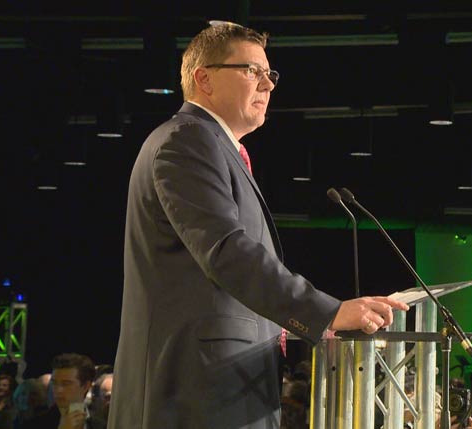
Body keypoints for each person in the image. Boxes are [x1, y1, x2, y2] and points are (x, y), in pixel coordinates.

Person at [108, 21, 409, 429]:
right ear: (204, 79)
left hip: (222, 384)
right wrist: (327, 313)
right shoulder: (187, 141)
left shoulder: (213, 145)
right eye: (252, 71)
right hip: (195, 389)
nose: (267, 85)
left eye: (270, 74)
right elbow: (226, 251)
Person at [21, 353, 105, 429]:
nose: (58, 390)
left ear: (86, 386)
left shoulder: (102, 425)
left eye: (66, 384)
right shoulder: (33, 424)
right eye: (54, 383)